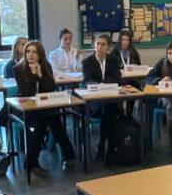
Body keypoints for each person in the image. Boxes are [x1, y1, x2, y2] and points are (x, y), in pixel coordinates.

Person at [13, 40, 76, 174]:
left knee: (52, 118)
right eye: (28, 51)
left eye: (34, 52)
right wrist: (33, 74)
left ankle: (31, 163)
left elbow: (50, 88)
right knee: (49, 120)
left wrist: (40, 74)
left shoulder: (46, 65)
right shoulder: (18, 69)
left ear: (40, 54)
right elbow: (26, 91)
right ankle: (68, 156)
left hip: (44, 106)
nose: (30, 55)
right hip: (26, 108)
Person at [82, 33, 124, 161]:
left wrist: (102, 84)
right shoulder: (87, 62)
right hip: (95, 103)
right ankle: (110, 147)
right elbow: (87, 81)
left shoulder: (114, 60)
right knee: (108, 109)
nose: (100, 47)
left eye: (103, 44)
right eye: (97, 44)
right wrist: (101, 85)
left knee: (108, 108)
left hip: (111, 100)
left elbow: (117, 78)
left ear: (108, 47)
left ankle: (102, 146)